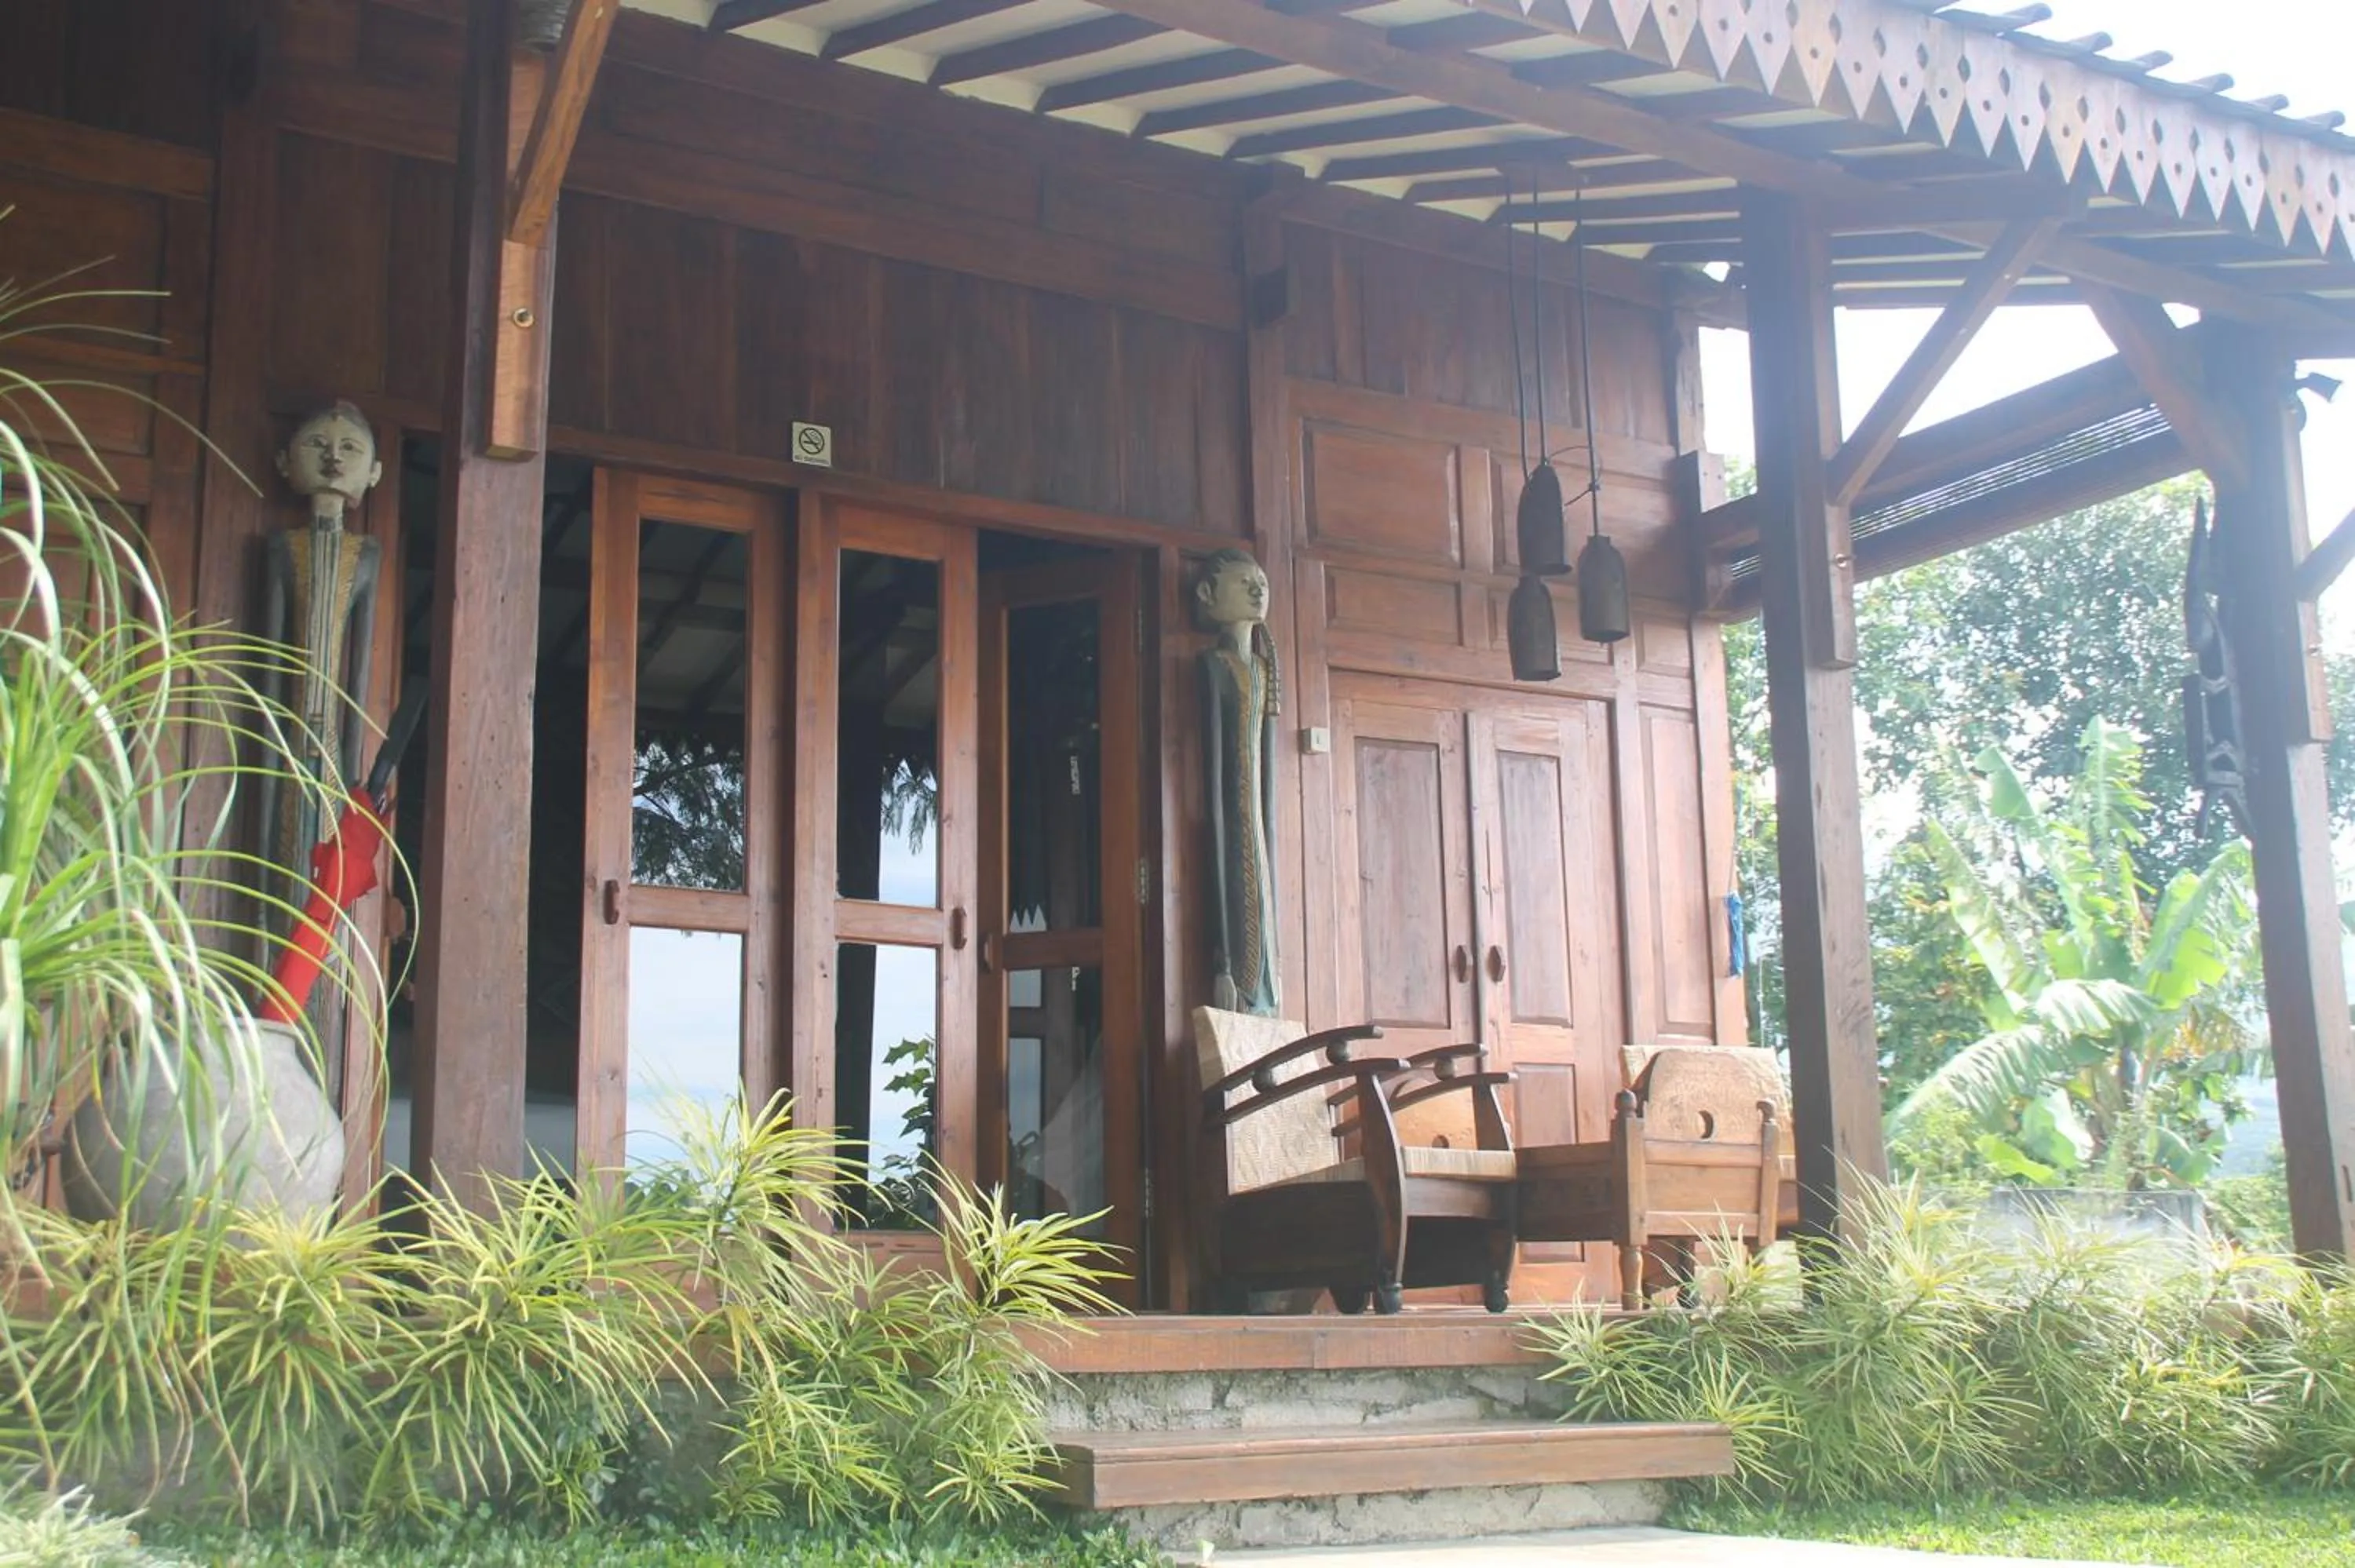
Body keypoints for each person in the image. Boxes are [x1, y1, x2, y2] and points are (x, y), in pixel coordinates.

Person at [1196, 549, 1282, 1016]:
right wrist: (1223, 963)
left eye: (1262, 583)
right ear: (1207, 594)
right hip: (1231, 827)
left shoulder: (1265, 671)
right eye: (1243, 581)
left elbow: (1267, 792)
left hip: (1259, 838)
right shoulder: (1214, 667)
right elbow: (1214, 792)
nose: (1257, 590)